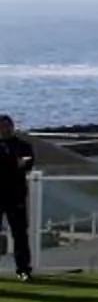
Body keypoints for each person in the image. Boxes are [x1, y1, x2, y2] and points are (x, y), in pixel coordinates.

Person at [0, 116, 35, 280]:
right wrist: (14, 164)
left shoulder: (23, 146)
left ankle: (23, 269)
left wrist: (12, 164)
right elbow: (17, 164)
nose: (4, 129)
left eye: (7, 126)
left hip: (16, 196)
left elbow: (28, 163)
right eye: (1, 126)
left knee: (20, 234)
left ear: (12, 127)